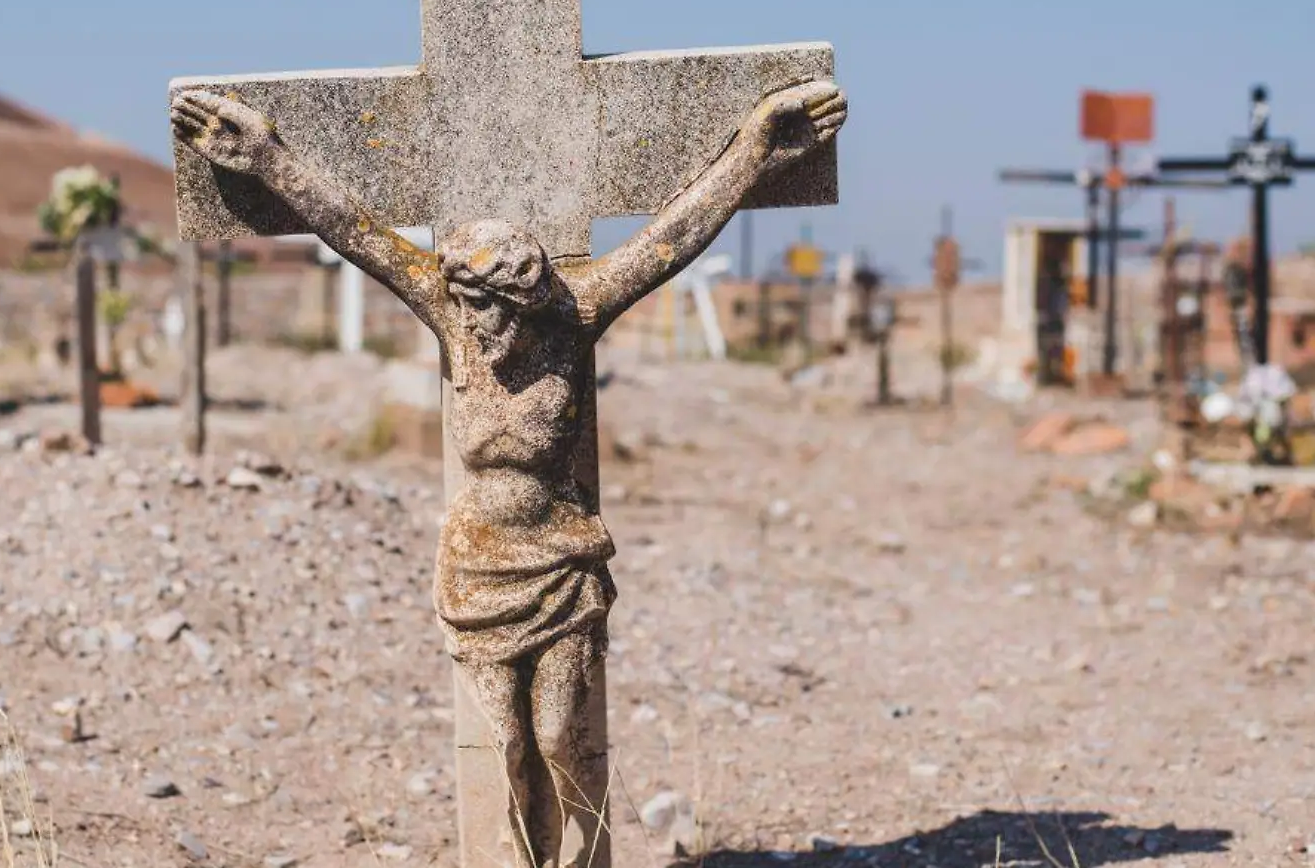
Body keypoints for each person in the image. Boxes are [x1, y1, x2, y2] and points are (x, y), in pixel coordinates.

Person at [173, 78, 845, 861]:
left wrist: (755, 151)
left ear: (526, 298)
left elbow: (672, 239)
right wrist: (266, 157)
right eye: (472, 308)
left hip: (558, 562)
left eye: (500, 309)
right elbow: (351, 230)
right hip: (477, 569)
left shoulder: (575, 314)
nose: (486, 329)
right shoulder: (451, 317)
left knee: (559, 735)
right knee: (509, 751)